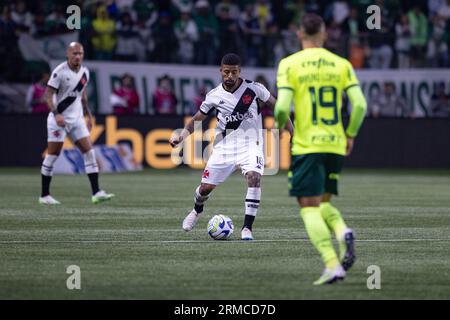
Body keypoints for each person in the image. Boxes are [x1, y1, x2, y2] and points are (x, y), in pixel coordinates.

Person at [274, 13, 367, 285]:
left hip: (307, 144)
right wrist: (350, 134)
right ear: (324, 35)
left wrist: (281, 126)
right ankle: (342, 231)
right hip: (335, 143)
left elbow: (281, 107)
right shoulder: (341, 64)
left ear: (299, 34)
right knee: (323, 202)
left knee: (307, 206)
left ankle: (332, 263)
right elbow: (360, 105)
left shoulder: (289, 64)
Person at [169, 53, 293, 240]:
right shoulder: (213, 96)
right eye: (226, 72)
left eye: (234, 72)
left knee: (254, 177)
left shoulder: (255, 89)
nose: (230, 76)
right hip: (224, 146)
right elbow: (196, 120)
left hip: (251, 143)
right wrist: (181, 137)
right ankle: (196, 211)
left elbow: (279, 108)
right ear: (221, 71)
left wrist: (293, 132)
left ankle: (247, 228)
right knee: (205, 189)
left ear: (239, 71)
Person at [39, 42, 114, 205]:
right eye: (74, 53)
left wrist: (88, 114)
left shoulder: (85, 72)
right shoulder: (60, 72)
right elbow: (47, 94)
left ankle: (97, 192)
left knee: (90, 153)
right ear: (68, 54)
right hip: (58, 121)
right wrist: (56, 114)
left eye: (80, 53)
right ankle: (44, 195)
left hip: (77, 120)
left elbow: (82, 94)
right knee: (52, 155)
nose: (77, 56)